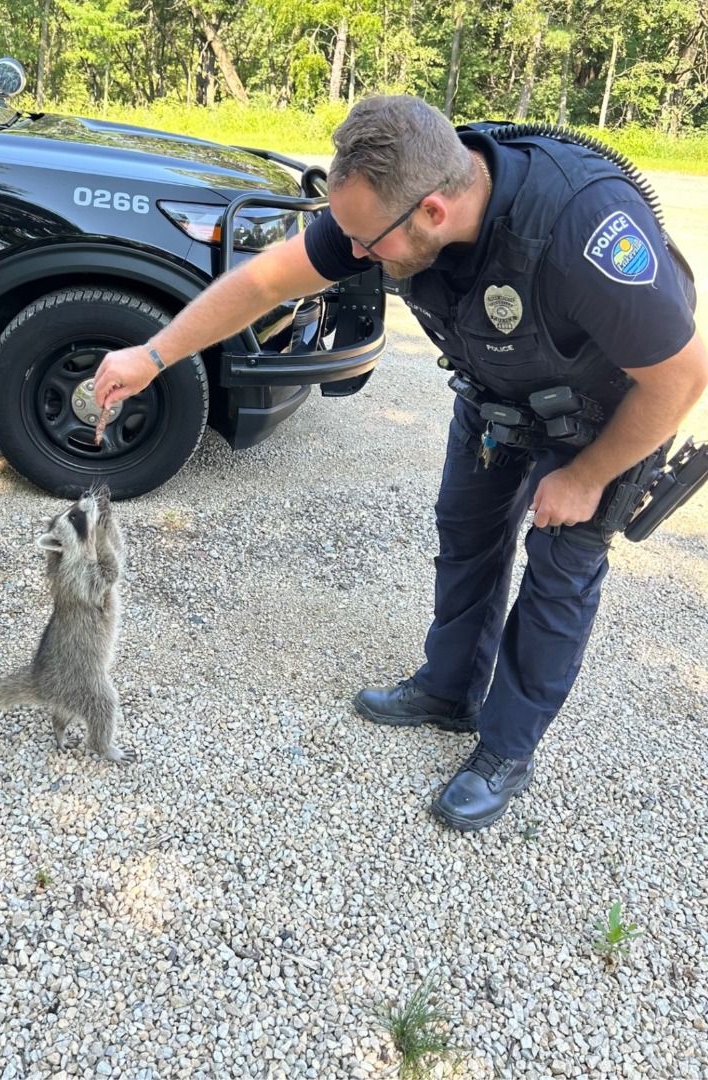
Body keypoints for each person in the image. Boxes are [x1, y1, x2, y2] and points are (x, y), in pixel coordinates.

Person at [89, 95, 707, 831]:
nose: (349, 255)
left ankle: (506, 750)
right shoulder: (380, 203)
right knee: (467, 532)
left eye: (364, 241)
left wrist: (586, 476)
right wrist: (152, 355)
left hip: (602, 417)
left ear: (435, 213)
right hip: (497, 397)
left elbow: (680, 375)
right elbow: (264, 283)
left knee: (558, 575)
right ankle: (448, 692)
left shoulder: (581, 225)